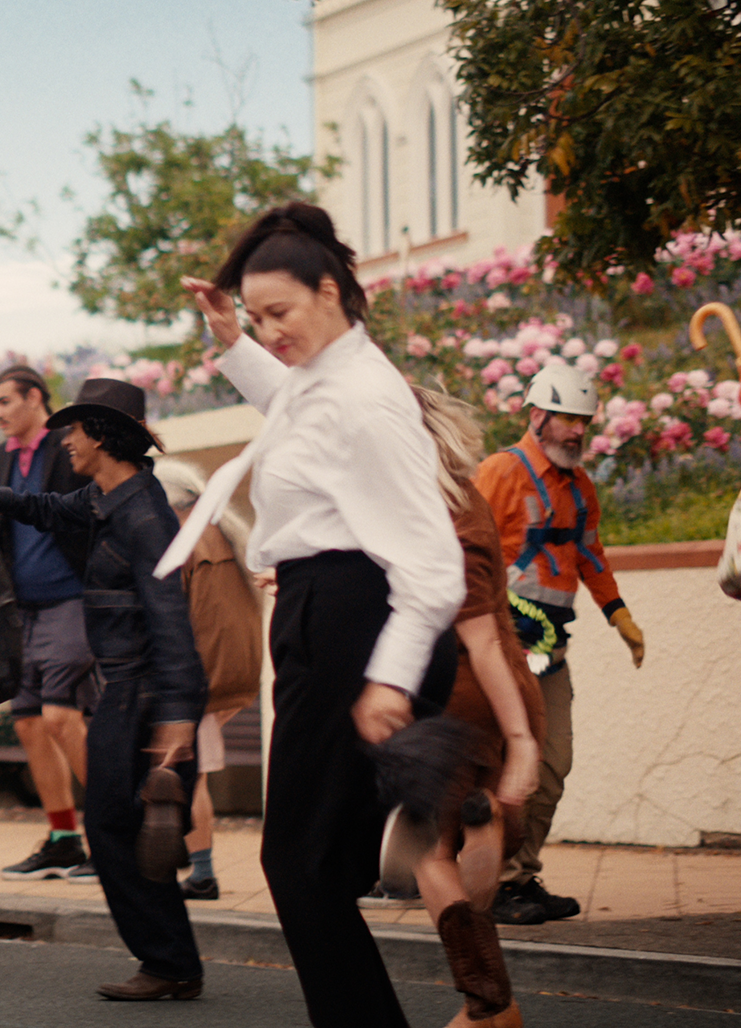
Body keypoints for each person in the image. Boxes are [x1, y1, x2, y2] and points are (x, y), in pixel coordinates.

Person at [177, 201, 465, 1028]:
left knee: (299, 866)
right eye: (258, 315)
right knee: (313, 865)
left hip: (352, 623)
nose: (271, 332)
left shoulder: (366, 401)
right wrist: (233, 337)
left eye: (280, 313)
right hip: (318, 612)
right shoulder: (325, 381)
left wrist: (389, 681)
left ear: (333, 291)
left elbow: (435, 567)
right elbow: (298, 402)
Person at [0, 378, 209, 1001]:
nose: (65, 440)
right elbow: (52, 509)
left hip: (143, 691)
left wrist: (176, 717)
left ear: (100, 436)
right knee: (121, 825)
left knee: (114, 825)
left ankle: (170, 963)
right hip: (127, 686)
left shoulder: (146, 516)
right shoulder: (110, 497)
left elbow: (171, 619)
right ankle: (171, 960)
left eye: (74, 430)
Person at [474, 363, 643, 926]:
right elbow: (461, 545)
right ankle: (492, 883)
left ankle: (519, 875)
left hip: (550, 653)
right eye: (568, 419)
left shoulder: (581, 487)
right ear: (538, 415)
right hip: (498, 649)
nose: (578, 432)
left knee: (551, 766)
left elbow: (591, 555)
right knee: (498, 767)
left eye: (584, 422)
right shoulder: (501, 472)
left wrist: (619, 614)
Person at [408, 385, 545, 1028]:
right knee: (475, 837)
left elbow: (470, 631)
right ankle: (485, 819)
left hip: (452, 687)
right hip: (512, 678)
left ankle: (488, 1003)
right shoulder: (468, 494)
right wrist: (519, 730)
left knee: (428, 853)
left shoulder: (413, 506)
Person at [0, 366, 99, 884]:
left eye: (6, 401)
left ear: (35, 398)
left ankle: (113, 831)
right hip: (21, 608)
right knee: (27, 721)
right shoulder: (0, 456)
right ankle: (63, 840)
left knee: (60, 716)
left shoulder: (70, 446)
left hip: (73, 598)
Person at [151, 459, 261, 902]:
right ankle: (198, 871)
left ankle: (200, 873)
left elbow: (189, 619)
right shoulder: (221, 534)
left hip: (193, 679)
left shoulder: (190, 541)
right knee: (190, 777)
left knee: (186, 778)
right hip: (217, 676)